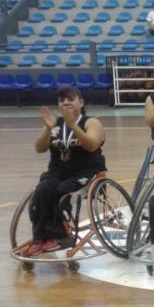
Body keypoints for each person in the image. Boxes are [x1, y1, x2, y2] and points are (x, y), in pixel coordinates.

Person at [25, 87, 106, 256]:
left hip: (85, 172)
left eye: (71, 99)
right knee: (42, 190)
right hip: (58, 171)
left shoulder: (91, 122)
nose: (66, 102)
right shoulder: (55, 124)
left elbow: (91, 145)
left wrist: (72, 126)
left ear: (81, 102)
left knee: (62, 192)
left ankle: (58, 236)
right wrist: (47, 129)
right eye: (62, 100)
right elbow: (39, 148)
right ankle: (41, 237)